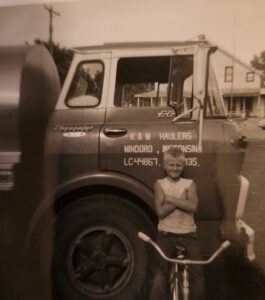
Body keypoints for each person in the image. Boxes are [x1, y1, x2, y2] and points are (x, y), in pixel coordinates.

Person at [149, 147, 204, 300]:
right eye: (171, 165)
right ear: (164, 165)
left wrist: (171, 199)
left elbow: (193, 206)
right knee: (159, 278)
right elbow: (160, 212)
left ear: (183, 165)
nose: (175, 169)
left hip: (188, 235)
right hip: (166, 234)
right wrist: (182, 200)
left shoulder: (190, 183)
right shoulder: (159, 184)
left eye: (178, 165)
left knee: (197, 278)